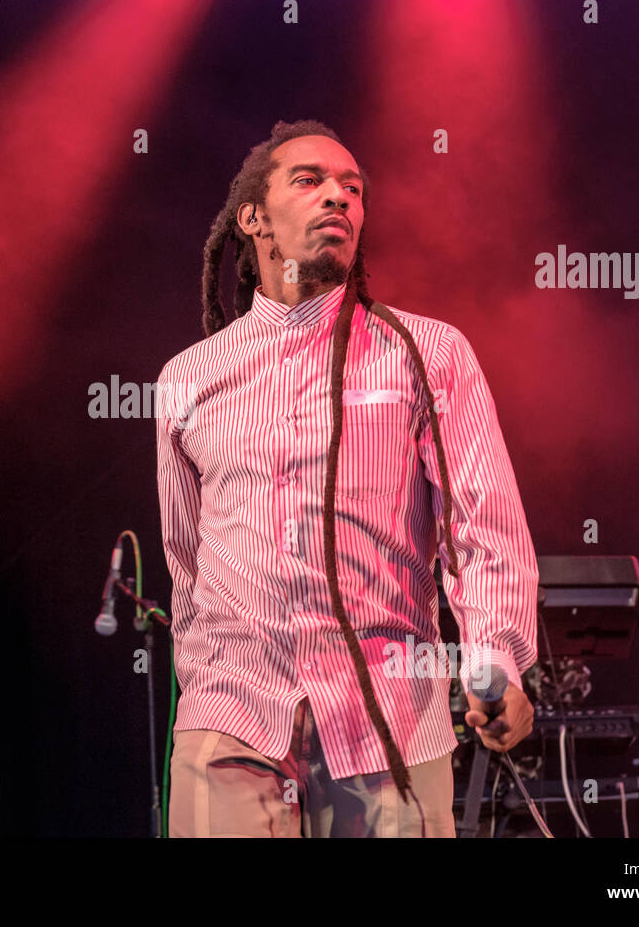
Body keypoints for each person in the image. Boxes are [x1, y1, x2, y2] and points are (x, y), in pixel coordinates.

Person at [154, 119, 539, 837]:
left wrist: (496, 664)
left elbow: (479, 528)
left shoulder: (427, 353)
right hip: (232, 723)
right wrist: (205, 684)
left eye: (353, 189)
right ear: (254, 220)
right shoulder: (188, 379)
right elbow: (185, 561)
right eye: (311, 181)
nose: (340, 198)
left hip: (386, 721)